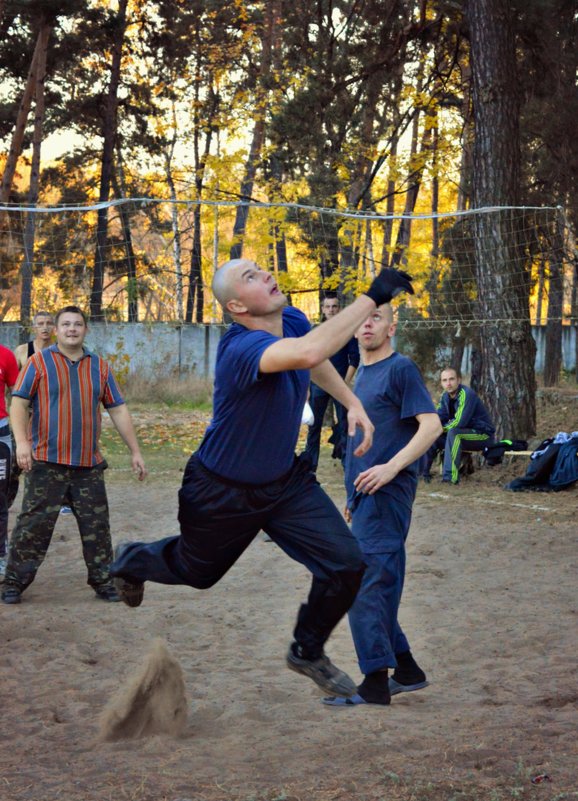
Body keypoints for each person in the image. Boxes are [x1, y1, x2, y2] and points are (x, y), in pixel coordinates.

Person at [109, 260, 414, 699]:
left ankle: (307, 650)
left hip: (284, 484)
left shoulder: (290, 319)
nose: (266, 276)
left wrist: (350, 401)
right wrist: (372, 296)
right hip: (220, 491)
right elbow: (307, 353)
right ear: (236, 306)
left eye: (261, 270)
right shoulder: (241, 349)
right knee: (198, 574)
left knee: (348, 564)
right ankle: (133, 559)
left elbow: (313, 358)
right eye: (250, 278)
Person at [323, 303, 441, 707]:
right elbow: (359, 447)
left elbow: (433, 425)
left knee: (364, 584)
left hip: (388, 493)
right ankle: (406, 669)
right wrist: (352, 498)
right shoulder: (360, 378)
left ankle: (374, 683)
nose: (367, 324)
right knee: (376, 581)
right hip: (365, 497)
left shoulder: (400, 369)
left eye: (375, 318)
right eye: (362, 319)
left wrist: (391, 469)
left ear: (391, 327)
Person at [1, 306, 147, 605]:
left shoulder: (100, 367)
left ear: (85, 329)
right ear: (56, 329)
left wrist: (135, 451)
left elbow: (117, 408)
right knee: (32, 527)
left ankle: (104, 581)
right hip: (46, 463)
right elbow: (18, 404)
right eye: (65, 324)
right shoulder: (39, 363)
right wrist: (22, 442)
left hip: (87, 464)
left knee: (97, 528)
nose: (71, 329)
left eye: (77, 324)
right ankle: (14, 582)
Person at [302, 295, 360, 471]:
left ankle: (347, 463)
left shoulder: (346, 332)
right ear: (323, 309)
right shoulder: (315, 332)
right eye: (328, 307)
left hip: (339, 386)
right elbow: (307, 359)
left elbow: (354, 359)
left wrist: (344, 383)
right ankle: (310, 465)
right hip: (318, 385)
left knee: (344, 424)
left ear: (339, 308)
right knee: (314, 426)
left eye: (335, 306)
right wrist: (307, 387)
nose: (331, 310)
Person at [422, 366, 495, 485]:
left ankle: (450, 478)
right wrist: (430, 428)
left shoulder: (466, 394)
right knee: (433, 436)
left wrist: (439, 429)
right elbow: (439, 417)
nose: (448, 383)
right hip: (462, 434)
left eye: (451, 379)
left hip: (482, 435)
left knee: (454, 433)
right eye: (444, 380)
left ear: (459, 380)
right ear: (441, 382)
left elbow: (460, 422)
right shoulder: (445, 396)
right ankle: (422, 474)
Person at [0, 344, 20, 580]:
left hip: (1, 433)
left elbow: (18, 396)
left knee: (0, 499)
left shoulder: (5, 355)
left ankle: (1, 556)